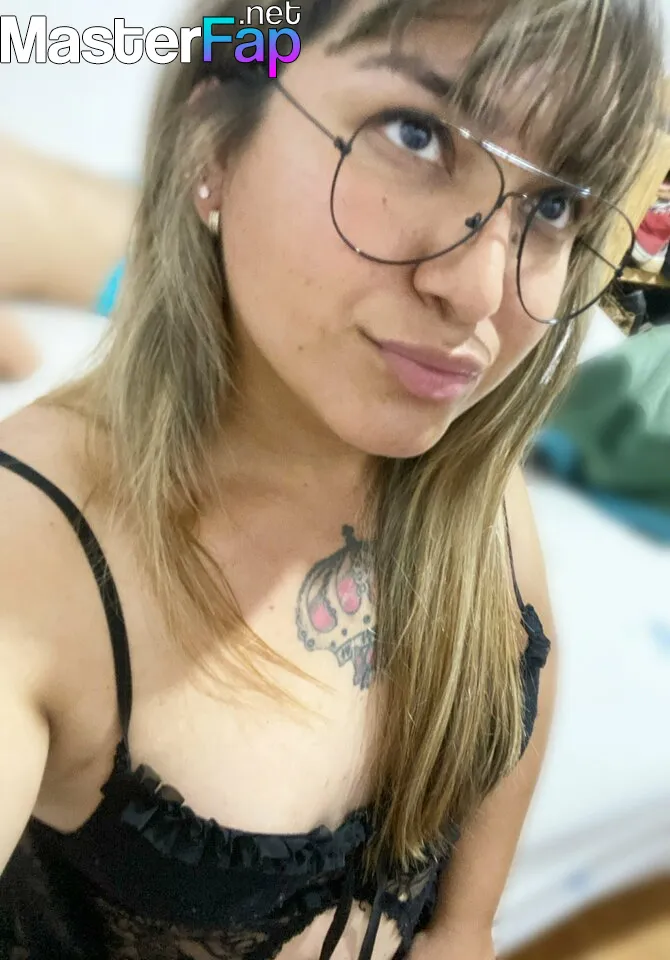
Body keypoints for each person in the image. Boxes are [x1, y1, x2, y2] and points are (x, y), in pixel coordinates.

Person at [0, 1, 663, 958]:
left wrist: (467, 925)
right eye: (416, 135)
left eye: (553, 205)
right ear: (212, 134)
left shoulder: (470, 477)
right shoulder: (33, 554)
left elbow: (519, 665)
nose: (480, 294)